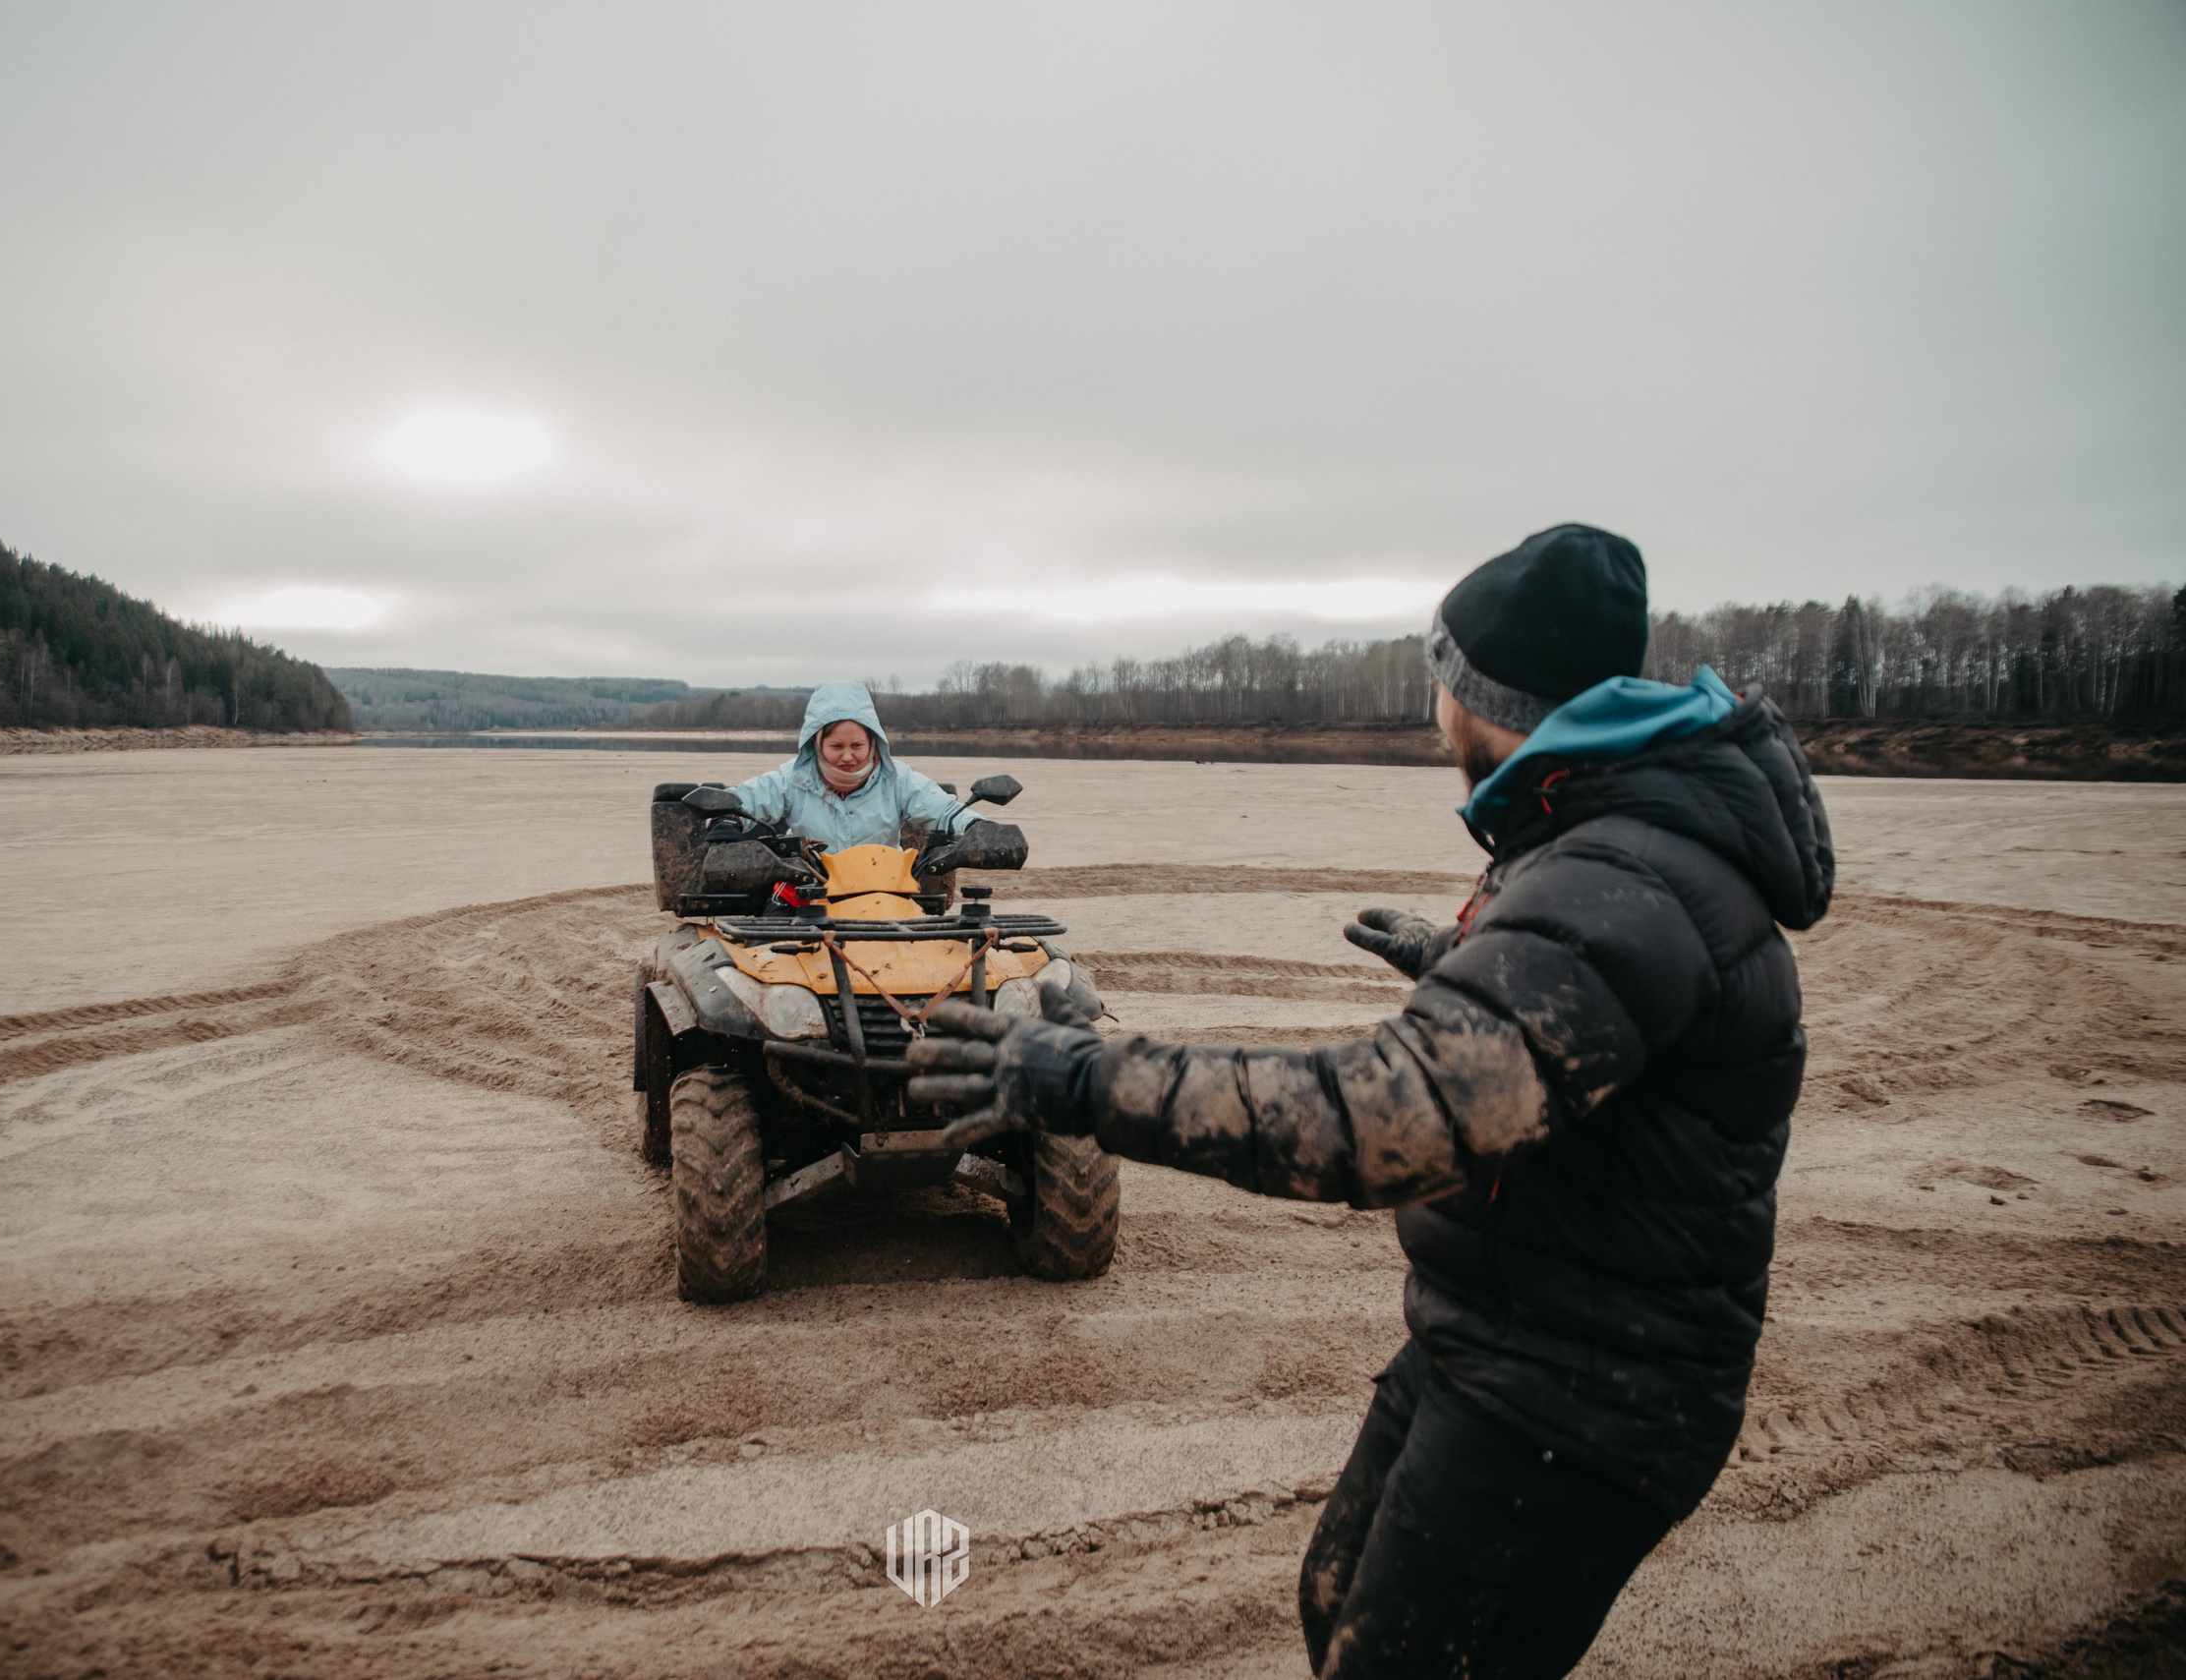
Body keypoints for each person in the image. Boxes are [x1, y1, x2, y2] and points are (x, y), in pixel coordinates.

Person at [908, 525, 1834, 1680]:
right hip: (1501, 1336)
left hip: (1583, 1396)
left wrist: (1074, 1074)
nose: (1433, 709)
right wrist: (1468, 964)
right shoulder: (1602, 832)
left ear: (1480, 697)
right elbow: (1594, 1021)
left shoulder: (1620, 873)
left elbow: (1377, 1123)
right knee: (1334, 1593)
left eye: (1439, 681)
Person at [721, 678, 1026, 875]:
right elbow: (745, 800)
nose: (847, 756)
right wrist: (725, 818)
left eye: (857, 745)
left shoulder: (897, 779)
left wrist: (976, 826)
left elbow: (943, 810)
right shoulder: (792, 778)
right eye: (836, 746)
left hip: (885, 887)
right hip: (809, 886)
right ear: (817, 743)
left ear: (873, 742)